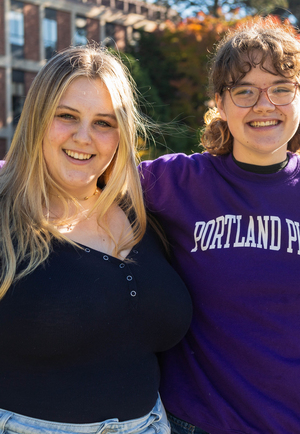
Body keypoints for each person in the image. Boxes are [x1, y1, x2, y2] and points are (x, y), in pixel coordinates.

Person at [140, 19, 300, 434]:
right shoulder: (177, 183)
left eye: (281, 89)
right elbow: (76, 174)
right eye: (244, 90)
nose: (264, 105)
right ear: (220, 103)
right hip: (199, 424)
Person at [0, 47, 192, 433]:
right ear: (37, 119)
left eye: (104, 123)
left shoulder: (147, 214)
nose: (83, 137)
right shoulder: (5, 218)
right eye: (67, 116)